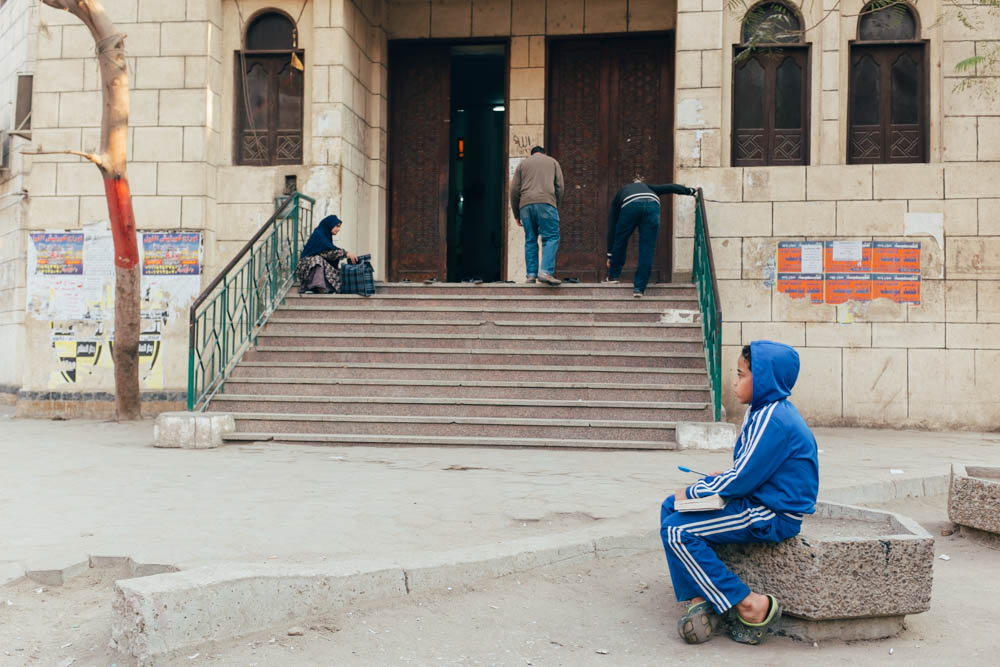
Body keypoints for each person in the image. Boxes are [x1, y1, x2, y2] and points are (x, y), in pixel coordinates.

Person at [660, 341, 819, 645]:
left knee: (677, 531)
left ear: (764, 380)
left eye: (741, 374)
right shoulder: (764, 410)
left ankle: (749, 604)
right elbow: (749, 470)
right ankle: (698, 600)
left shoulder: (773, 419)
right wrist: (717, 482)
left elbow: (741, 481)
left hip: (772, 514)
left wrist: (696, 490)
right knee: (670, 506)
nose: (734, 381)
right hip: (759, 500)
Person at [606, 178, 696, 297]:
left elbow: (612, 227)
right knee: (647, 247)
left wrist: (609, 255)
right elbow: (670, 187)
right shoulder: (649, 188)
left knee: (620, 240)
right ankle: (639, 288)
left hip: (630, 205)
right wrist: (690, 191)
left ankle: (614, 276)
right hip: (652, 205)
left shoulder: (622, 191)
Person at [510, 146, 564, 285]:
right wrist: (554, 204)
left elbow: (514, 189)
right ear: (544, 153)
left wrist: (517, 213)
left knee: (530, 239)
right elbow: (560, 186)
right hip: (546, 203)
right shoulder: (552, 162)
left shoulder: (523, 164)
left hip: (525, 206)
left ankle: (531, 275)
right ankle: (545, 271)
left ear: (532, 154)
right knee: (551, 237)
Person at [296, 214, 358, 294]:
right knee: (317, 259)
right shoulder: (319, 235)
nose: (338, 229)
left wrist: (345, 254)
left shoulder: (326, 236)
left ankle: (323, 286)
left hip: (315, 266)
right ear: (330, 224)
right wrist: (346, 254)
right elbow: (327, 253)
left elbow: (329, 253)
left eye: (339, 227)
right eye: (337, 226)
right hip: (305, 267)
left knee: (335, 271)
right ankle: (315, 286)